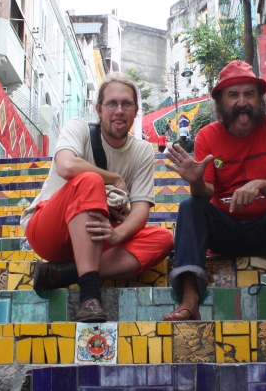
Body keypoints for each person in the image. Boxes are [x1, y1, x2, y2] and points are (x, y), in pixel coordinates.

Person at [163, 60, 266, 320]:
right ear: (220, 102)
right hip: (226, 232)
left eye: (249, 94)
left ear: (259, 99)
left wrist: (260, 184)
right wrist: (196, 181)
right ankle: (189, 301)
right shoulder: (207, 136)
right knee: (190, 206)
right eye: (233, 95)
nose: (242, 102)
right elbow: (205, 193)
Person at [21, 72, 174, 322]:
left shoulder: (143, 151)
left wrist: (118, 234)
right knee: (90, 180)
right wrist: (113, 178)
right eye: (112, 103)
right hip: (50, 230)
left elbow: (141, 211)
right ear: (99, 109)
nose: (119, 111)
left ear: (135, 111)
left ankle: (63, 277)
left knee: (163, 238)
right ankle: (89, 297)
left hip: (95, 236)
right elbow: (66, 165)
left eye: (126, 104)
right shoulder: (78, 127)